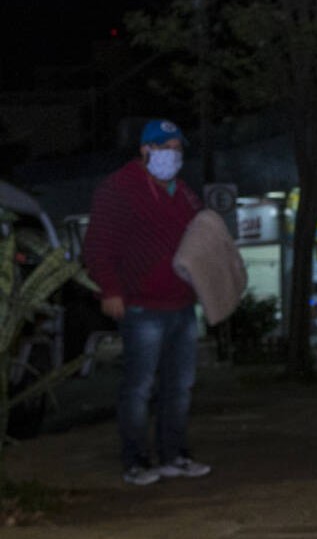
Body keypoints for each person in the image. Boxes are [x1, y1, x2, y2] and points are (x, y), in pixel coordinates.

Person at [84, 119, 212, 486]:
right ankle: (136, 461)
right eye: (164, 146)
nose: (172, 154)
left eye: (177, 147)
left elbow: (201, 240)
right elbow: (98, 245)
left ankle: (175, 455)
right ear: (145, 150)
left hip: (182, 305)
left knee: (180, 387)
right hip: (140, 306)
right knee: (139, 387)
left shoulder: (184, 193)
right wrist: (110, 290)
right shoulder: (117, 189)